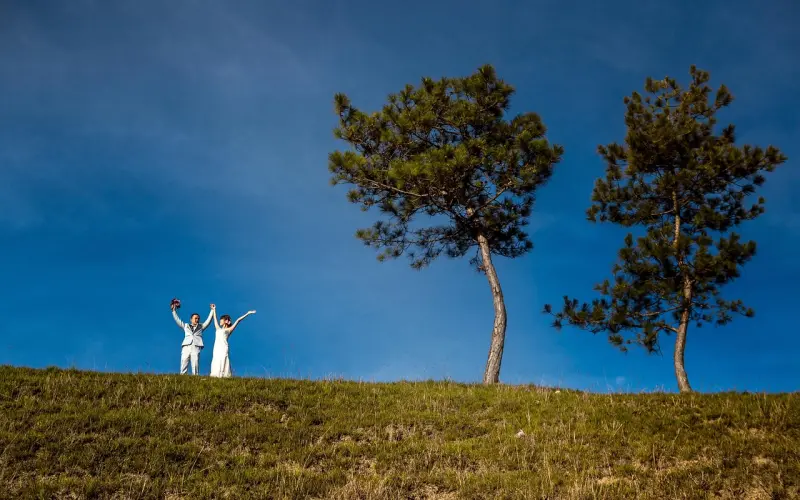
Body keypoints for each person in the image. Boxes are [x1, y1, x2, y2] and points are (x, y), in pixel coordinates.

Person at [209, 304, 256, 378]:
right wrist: (214, 310)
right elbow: (214, 319)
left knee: (223, 359)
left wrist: (248, 313)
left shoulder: (229, 329)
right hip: (216, 348)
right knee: (216, 359)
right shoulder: (218, 329)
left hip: (223, 347)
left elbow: (238, 320)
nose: (220, 321)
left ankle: (223, 375)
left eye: (221, 319)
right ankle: (215, 375)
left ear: (226, 321)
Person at [171, 302, 214, 375]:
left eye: (198, 318)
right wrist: (173, 311)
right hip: (186, 346)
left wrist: (212, 310)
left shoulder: (201, 326)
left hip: (196, 346)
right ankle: (182, 376)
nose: (197, 320)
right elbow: (177, 320)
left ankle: (195, 377)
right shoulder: (186, 326)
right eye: (195, 318)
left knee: (195, 363)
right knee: (184, 362)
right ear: (191, 319)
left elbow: (208, 321)